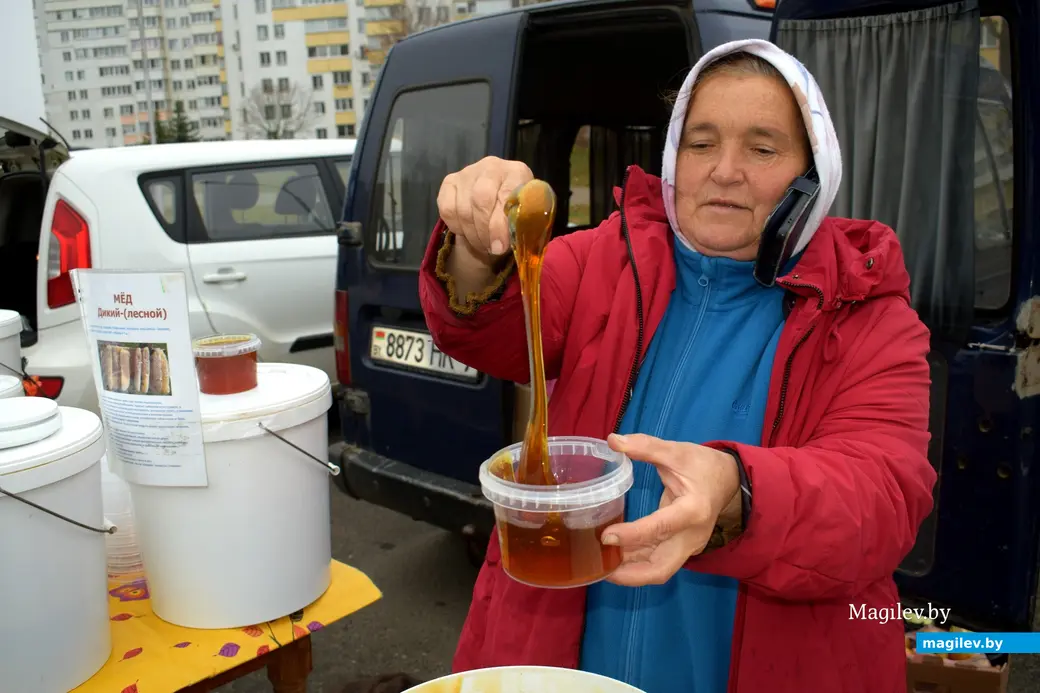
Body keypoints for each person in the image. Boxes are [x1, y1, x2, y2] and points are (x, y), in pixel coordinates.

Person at [418, 38, 936, 693]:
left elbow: (881, 496)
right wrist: (477, 245)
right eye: (701, 141)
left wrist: (738, 493)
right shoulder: (613, 257)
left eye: (762, 146)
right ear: (672, 159)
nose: (724, 169)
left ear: (814, 171)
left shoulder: (866, 313)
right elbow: (487, 327)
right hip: (558, 667)